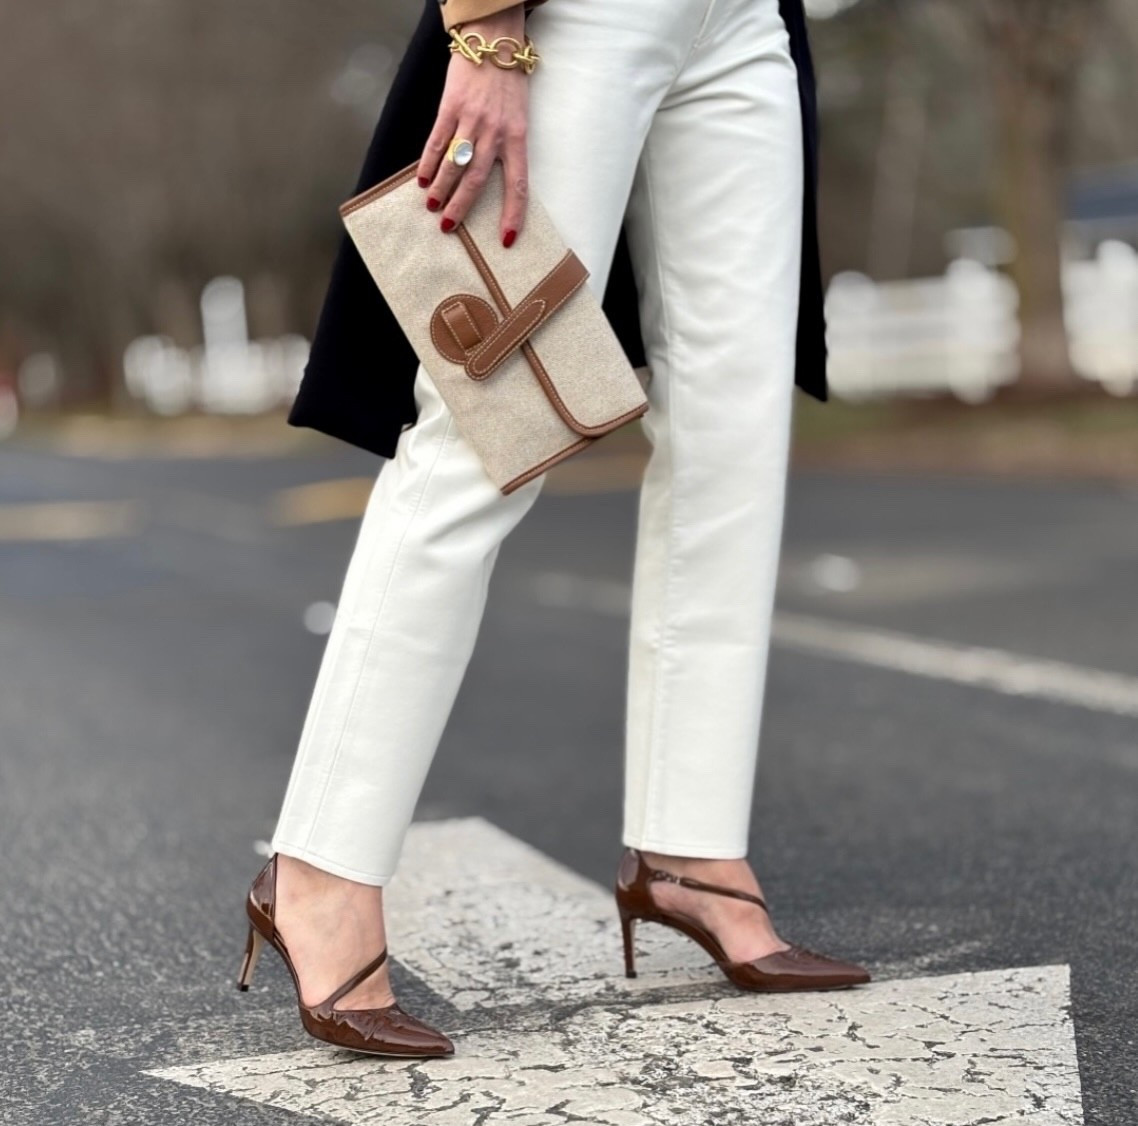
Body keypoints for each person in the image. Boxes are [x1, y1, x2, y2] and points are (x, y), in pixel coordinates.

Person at [236, 0, 871, 1058]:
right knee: (485, 431)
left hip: (745, 23)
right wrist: (484, 29)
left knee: (733, 439)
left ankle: (690, 848)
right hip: (578, 15)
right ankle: (320, 869)